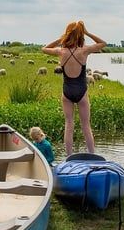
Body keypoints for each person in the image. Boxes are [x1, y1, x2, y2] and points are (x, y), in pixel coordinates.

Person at [42, 21, 106, 156]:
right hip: (82, 92)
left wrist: (62, 38)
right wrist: (87, 33)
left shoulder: (61, 51)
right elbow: (102, 43)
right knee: (86, 126)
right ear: (80, 35)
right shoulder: (84, 50)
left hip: (67, 92)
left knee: (69, 125)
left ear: (68, 35)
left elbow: (44, 48)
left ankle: (69, 156)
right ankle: (92, 155)